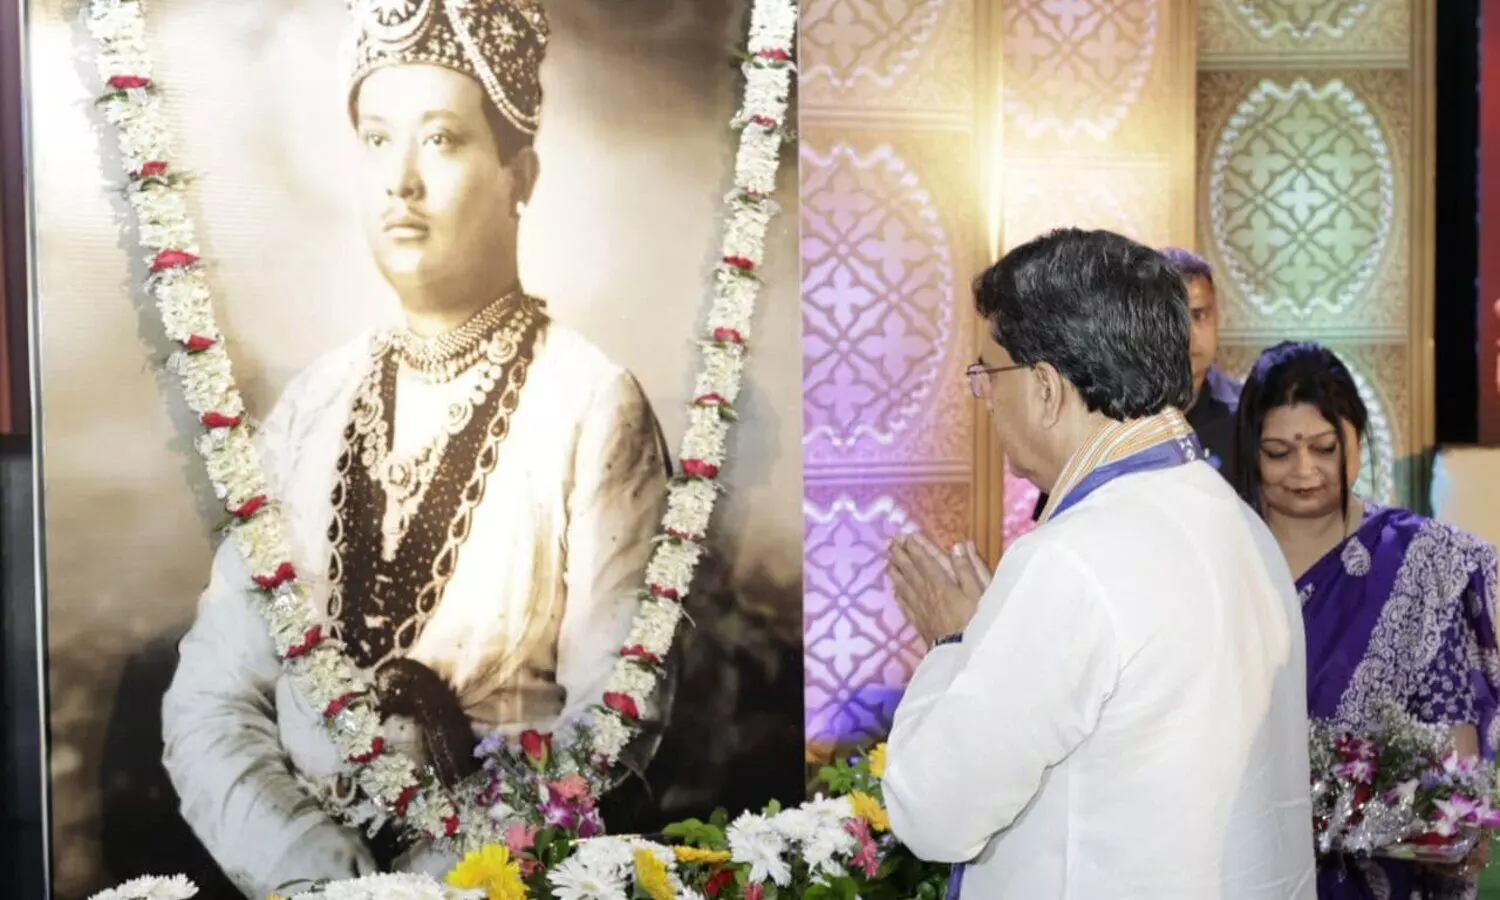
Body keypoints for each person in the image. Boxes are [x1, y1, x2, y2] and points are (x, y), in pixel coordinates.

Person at [160, 1, 669, 895]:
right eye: (375, 139)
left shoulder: (591, 405)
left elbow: (614, 720)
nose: (400, 180)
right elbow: (212, 698)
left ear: (519, 175)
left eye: (440, 139)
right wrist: (307, 866)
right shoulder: (311, 407)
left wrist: (436, 884)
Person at [882, 228, 1315, 899]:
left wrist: (954, 645)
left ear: (1046, 388)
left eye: (988, 374)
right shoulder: (1238, 522)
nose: (984, 398)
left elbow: (933, 812)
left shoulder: (1072, 560)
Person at [1233, 341, 1500, 899]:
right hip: (1242, 860)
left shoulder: (1418, 559)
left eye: (1324, 448)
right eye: (1278, 453)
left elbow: (1452, 724)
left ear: (1356, 438)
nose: (1304, 471)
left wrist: (1459, 815)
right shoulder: (1223, 556)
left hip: (1385, 872)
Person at [1028, 246, 1239, 518]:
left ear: (1218, 317)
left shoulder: (1245, 413)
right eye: (1171, 318)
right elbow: (1060, 523)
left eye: (1199, 315)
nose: (1187, 334)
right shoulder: (1100, 417)